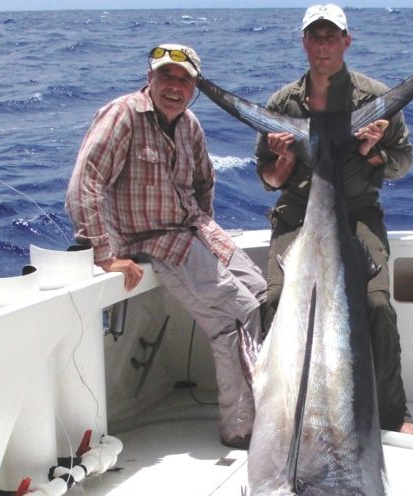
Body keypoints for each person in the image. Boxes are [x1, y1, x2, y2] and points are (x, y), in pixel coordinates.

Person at [66, 44, 266, 450]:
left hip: (196, 230)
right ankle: (242, 428)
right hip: (152, 239)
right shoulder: (122, 114)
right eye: (167, 76)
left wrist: (205, 228)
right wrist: (105, 254)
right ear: (150, 76)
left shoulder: (189, 123)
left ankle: (272, 409)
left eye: (184, 79)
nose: (175, 86)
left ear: (194, 86)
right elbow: (85, 182)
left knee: (264, 295)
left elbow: (205, 181)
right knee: (235, 315)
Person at [255, 4, 413, 436]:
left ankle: (394, 413)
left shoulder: (375, 99)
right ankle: (276, 414)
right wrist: (282, 158)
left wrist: (372, 151)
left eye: (332, 36)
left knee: (377, 305)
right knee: (274, 302)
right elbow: (270, 179)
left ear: (347, 41)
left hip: (358, 213)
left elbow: (403, 163)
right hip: (298, 214)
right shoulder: (282, 103)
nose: (324, 45)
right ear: (304, 42)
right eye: (316, 36)